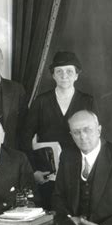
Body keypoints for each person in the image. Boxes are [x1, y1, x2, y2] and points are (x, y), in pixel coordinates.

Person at [22, 51, 96, 208]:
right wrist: (33, 170)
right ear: (53, 75)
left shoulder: (86, 101)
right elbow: (25, 137)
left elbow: (94, 138)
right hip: (48, 173)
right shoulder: (41, 101)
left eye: (69, 71)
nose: (64, 76)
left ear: (76, 75)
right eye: (59, 71)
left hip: (78, 170)